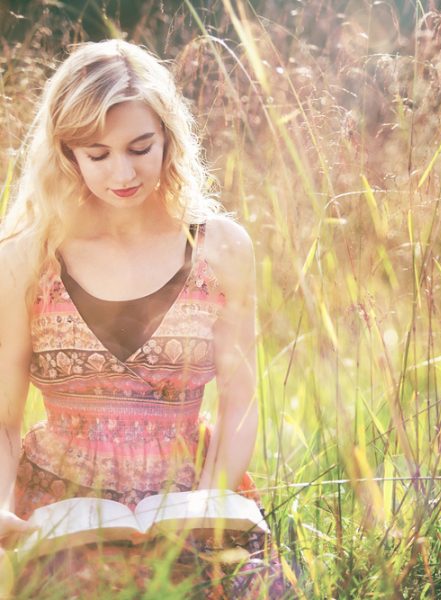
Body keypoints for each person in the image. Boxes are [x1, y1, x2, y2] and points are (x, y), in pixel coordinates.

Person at [0, 39, 285, 597]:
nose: (122, 172)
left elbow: (239, 399)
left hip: (194, 496)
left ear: (169, 139)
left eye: (140, 146)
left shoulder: (221, 247)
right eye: (97, 154)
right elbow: (3, 418)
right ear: (67, 154)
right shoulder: (24, 257)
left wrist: (208, 507)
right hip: (63, 505)